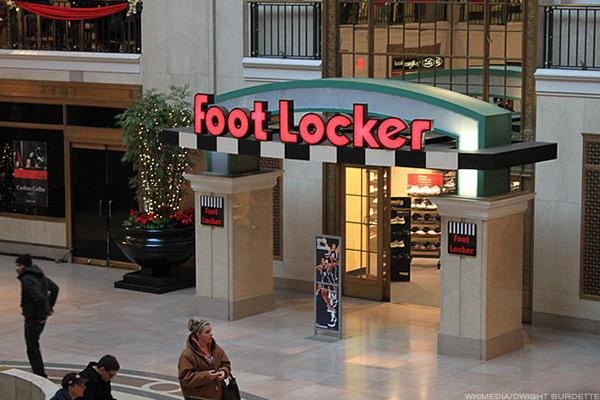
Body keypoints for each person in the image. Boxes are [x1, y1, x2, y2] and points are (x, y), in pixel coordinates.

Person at [16, 254, 59, 378]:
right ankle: (39, 372)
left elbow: (39, 298)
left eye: (19, 265)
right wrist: (49, 308)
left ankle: (39, 374)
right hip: (39, 318)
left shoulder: (27, 279)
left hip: (33, 318)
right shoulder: (38, 275)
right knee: (34, 345)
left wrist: (41, 316)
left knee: (32, 347)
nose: (17, 268)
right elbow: (55, 288)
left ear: (25, 266)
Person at [178, 319, 231, 400]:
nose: (211, 334)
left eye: (210, 331)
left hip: (218, 395)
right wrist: (207, 376)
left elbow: (226, 364)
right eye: (207, 332)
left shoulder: (215, 348)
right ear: (198, 335)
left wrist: (224, 371)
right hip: (200, 397)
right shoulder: (187, 355)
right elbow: (185, 378)